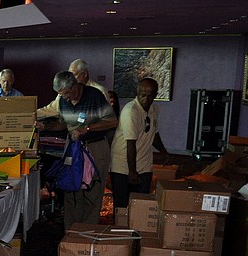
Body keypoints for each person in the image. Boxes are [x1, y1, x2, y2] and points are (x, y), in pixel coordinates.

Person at [35, 70, 117, 230]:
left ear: (74, 87)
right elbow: (65, 124)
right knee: (71, 189)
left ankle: (87, 233)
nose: (63, 97)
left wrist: (87, 128)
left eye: (65, 93)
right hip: (73, 147)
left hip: (95, 147)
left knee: (91, 192)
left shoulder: (94, 95)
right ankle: (71, 232)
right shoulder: (63, 100)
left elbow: (113, 122)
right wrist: (46, 126)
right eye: (60, 94)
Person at [109, 78, 170, 208]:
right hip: (123, 165)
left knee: (141, 203)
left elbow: (153, 133)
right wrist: (132, 171)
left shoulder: (154, 109)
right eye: (142, 95)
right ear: (137, 93)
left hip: (144, 163)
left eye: (150, 96)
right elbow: (130, 144)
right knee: (122, 207)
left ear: (155, 95)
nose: (146, 99)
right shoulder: (131, 111)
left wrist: (163, 151)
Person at [37, 58, 110, 119]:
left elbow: (107, 119)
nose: (69, 79)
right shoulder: (65, 90)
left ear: (84, 74)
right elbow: (51, 109)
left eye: (73, 75)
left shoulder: (99, 91)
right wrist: (32, 114)